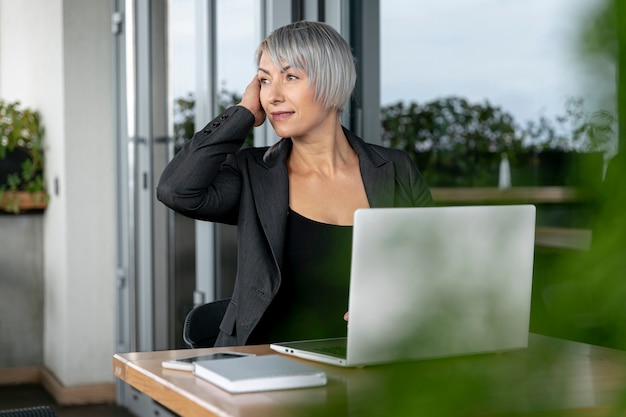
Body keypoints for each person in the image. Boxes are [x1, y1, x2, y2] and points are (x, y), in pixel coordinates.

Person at [157, 20, 434, 347]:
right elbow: (177, 190)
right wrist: (243, 112)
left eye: (290, 77)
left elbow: (434, 268)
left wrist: (399, 305)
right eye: (263, 80)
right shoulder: (252, 173)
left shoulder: (395, 168)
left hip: (374, 357)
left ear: (332, 80)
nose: (272, 95)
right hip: (265, 361)